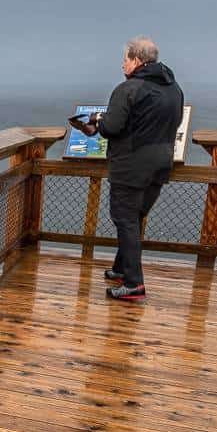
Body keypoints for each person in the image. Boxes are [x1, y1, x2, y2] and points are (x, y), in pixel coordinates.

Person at [79, 36, 184, 301]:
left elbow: (113, 127)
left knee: (125, 219)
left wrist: (98, 121)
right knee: (134, 218)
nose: (122, 64)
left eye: (125, 59)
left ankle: (134, 284)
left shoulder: (128, 89)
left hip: (130, 165)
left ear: (137, 60)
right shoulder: (175, 89)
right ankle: (120, 268)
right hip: (161, 164)